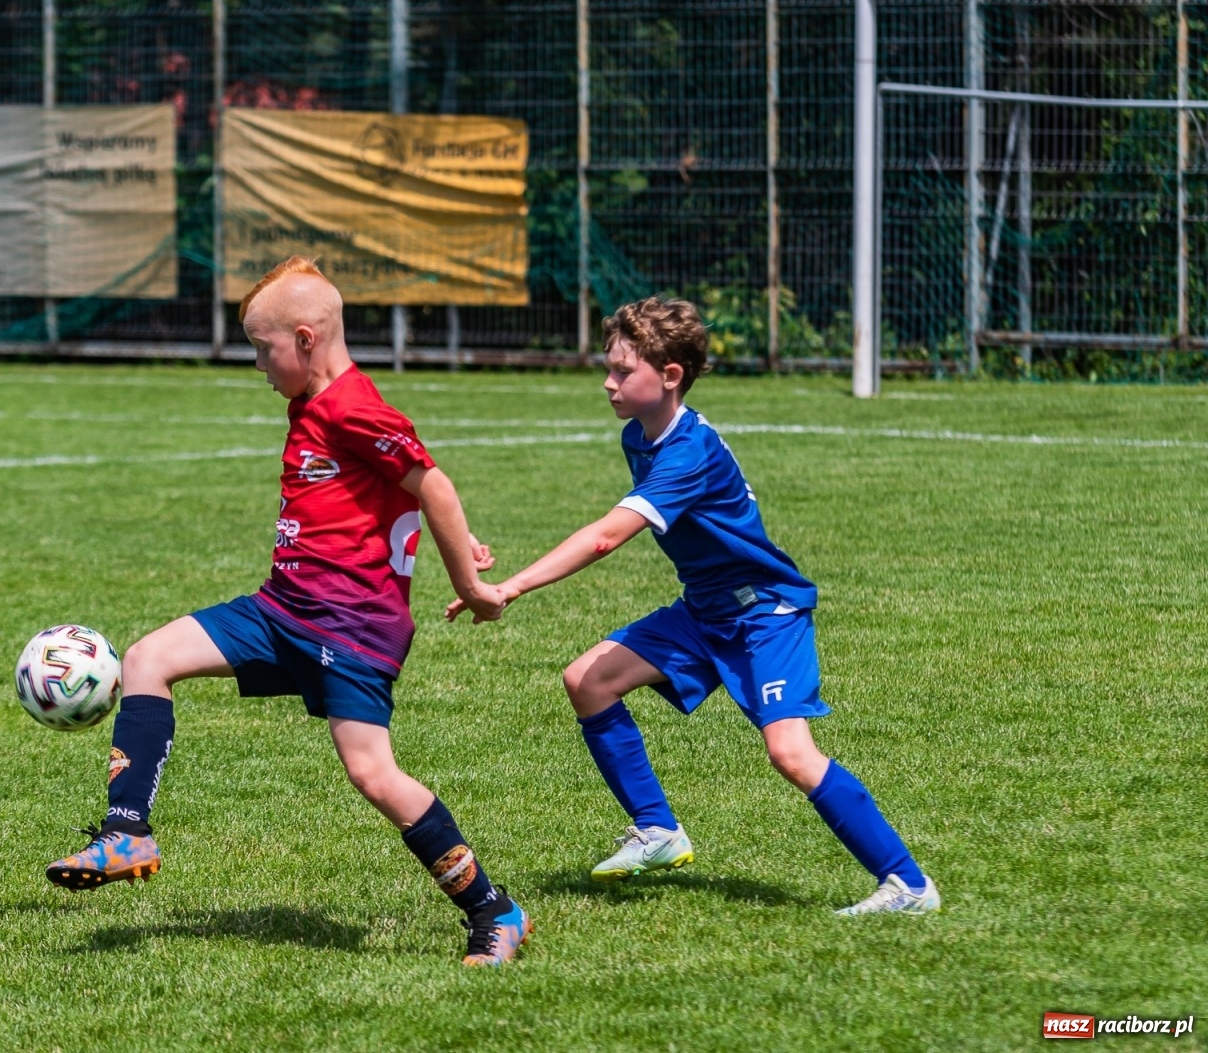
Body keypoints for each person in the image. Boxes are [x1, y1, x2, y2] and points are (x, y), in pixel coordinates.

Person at [47, 256, 534, 964]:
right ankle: (127, 833)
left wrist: (476, 585)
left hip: (352, 627)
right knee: (148, 657)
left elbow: (435, 488)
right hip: (282, 610)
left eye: (261, 347)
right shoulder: (312, 401)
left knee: (372, 773)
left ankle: (495, 912)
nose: (257, 363)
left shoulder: (351, 405)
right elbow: (390, 497)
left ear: (305, 339)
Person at [449, 296, 938, 915]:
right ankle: (658, 831)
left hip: (764, 613)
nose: (608, 381)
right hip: (706, 610)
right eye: (609, 366)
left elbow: (605, 537)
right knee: (587, 681)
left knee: (790, 752)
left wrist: (509, 587)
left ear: (671, 375)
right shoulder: (641, 436)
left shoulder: (688, 452)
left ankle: (909, 885)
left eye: (624, 371)